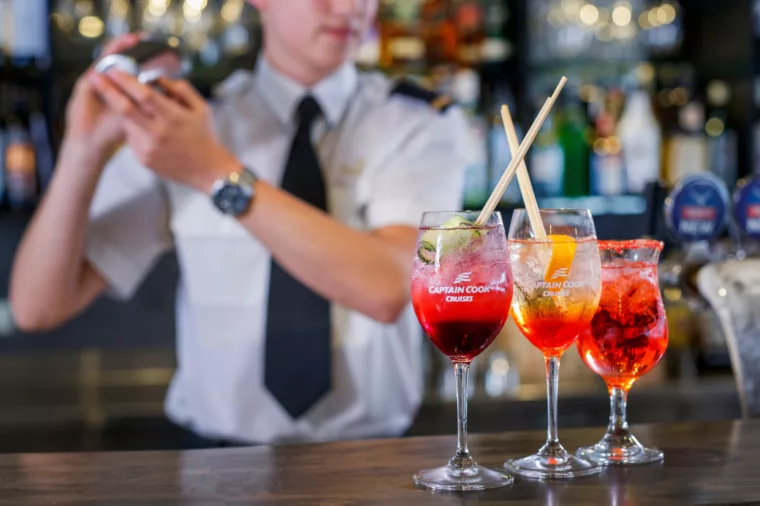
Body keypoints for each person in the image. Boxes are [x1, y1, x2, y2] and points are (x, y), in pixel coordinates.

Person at [10, 0, 469, 446]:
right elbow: (38, 306)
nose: (351, 8)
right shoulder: (191, 121)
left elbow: (389, 287)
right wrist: (82, 149)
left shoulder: (418, 122)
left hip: (374, 455)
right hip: (216, 462)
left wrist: (213, 170)